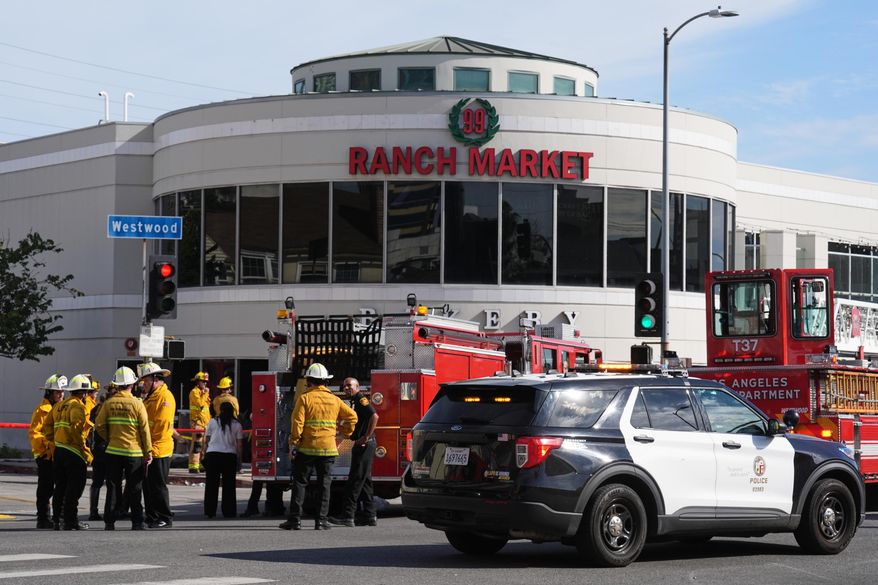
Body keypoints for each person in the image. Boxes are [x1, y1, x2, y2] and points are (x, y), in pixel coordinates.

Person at [279, 363, 357, 531]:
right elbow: (352, 417)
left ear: (308, 381)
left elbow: (297, 423)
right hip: (328, 449)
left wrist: (294, 443)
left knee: (300, 483)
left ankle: (295, 520)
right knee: (325, 485)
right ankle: (321, 521)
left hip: (307, 448)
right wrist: (344, 434)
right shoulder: (335, 399)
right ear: (325, 381)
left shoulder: (305, 398)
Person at [95, 366, 152, 530]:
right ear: (132, 385)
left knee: (113, 486)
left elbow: (99, 426)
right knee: (135, 487)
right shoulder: (137, 404)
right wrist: (148, 451)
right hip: (134, 452)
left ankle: (110, 521)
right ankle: (137, 521)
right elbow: (144, 429)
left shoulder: (108, 403)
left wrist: (110, 438)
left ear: (117, 385)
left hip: (113, 451)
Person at [329, 377, 379, 527]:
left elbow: (374, 416)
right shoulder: (354, 401)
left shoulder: (361, 400)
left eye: (349, 386)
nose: (346, 389)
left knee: (354, 481)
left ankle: (347, 516)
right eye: (344, 386)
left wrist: (366, 437)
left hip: (364, 445)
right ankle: (370, 516)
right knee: (365, 482)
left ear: (357, 387)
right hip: (360, 444)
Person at [46, 374, 94, 530]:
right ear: (83, 392)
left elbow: (47, 429)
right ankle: (70, 520)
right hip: (74, 452)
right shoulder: (77, 406)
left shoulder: (58, 406)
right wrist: (84, 450)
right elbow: (77, 429)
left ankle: (56, 520)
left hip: (59, 451)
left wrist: (57, 441)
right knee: (75, 488)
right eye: (87, 393)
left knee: (60, 487)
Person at [138, 362, 176, 529]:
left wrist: (149, 445)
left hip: (159, 449)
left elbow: (160, 425)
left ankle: (164, 517)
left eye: (146, 381)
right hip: (149, 448)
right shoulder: (150, 398)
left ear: (156, 380)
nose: (143, 384)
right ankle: (152, 516)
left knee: (158, 485)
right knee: (148, 485)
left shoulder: (165, 397)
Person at [28, 374, 67, 529]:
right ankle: (43, 518)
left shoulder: (63, 408)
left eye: (62, 392)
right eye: (57, 392)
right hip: (45, 455)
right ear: (49, 393)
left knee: (61, 486)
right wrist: (47, 446)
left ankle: (60, 517)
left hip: (58, 453)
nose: (61, 395)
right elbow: (35, 433)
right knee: (45, 488)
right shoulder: (41, 410)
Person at [201, 401, 243, 518]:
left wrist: (203, 454)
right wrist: (239, 460)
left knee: (211, 485)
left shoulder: (213, 422)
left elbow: (207, 440)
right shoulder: (237, 425)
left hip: (213, 455)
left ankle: (210, 511)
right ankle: (229, 511)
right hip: (229, 456)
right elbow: (239, 445)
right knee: (229, 486)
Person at [88, 383, 116, 521]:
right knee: (112, 482)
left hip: (98, 448)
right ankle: (111, 512)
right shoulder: (112, 408)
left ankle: (93, 512)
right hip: (111, 448)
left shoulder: (96, 409)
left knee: (97, 482)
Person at [188, 372, 211, 473]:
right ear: (198, 382)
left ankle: (202, 465)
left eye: (206, 382)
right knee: (197, 445)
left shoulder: (203, 393)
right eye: (203, 382)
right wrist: (205, 393)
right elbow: (200, 404)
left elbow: (207, 407)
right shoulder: (194, 392)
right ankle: (193, 466)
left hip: (206, 423)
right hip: (197, 423)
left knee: (204, 446)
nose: (205, 384)